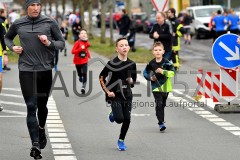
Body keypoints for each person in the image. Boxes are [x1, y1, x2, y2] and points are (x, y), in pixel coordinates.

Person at [4, 0, 65, 159]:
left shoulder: (50, 22)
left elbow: (61, 44)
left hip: (45, 70)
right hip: (26, 70)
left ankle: (41, 128)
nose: (36, 8)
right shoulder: (18, 23)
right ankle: (35, 144)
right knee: (31, 106)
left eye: (38, 5)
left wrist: (48, 42)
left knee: (42, 106)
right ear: (26, 7)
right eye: (32, 5)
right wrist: (12, 48)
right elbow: (7, 38)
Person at [99, 37, 137, 151]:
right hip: (114, 95)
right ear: (116, 49)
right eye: (121, 45)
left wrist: (131, 81)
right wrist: (107, 92)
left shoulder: (132, 64)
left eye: (126, 45)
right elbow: (101, 77)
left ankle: (121, 140)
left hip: (127, 95)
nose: (124, 47)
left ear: (129, 47)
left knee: (127, 119)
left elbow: (133, 81)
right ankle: (113, 114)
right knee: (119, 119)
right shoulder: (112, 63)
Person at [143, 41, 175, 132]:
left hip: (166, 87)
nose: (157, 51)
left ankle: (161, 119)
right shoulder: (151, 63)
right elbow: (145, 73)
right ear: (153, 52)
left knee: (162, 104)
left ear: (163, 51)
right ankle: (161, 123)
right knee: (159, 104)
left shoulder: (167, 62)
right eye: (156, 50)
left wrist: (163, 71)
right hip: (156, 87)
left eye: (159, 50)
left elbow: (172, 73)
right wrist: (150, 78)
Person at [71, 29, 91, 94]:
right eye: (82, 33)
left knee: (84, 73)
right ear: (79, 35)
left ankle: (83, 87)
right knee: (80, 74)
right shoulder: (77, 42)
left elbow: (86, 50)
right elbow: (73, 51)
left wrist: (89, 55)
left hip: (85, 60)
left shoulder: (86, 42)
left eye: (85, 33)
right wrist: (80, 49)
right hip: (77, 61)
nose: (83, 34)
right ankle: (80, 76)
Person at [0, 7, 8, 112]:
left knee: (0, 79)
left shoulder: (1, 23)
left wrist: (5, 53)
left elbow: (3, 38)